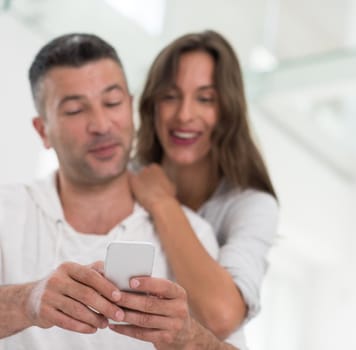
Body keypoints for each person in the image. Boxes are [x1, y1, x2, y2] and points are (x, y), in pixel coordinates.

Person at [0, 33, 237, 350]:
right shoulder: (7, 211)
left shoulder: (193, 234)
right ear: (43, 130)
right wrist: (25, 302)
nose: (101, 124)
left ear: (130, 106)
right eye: (74, 110)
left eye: (112, 103)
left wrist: (190, 339)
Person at [130, 30, 279, 345]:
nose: (185, 114)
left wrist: (162, 203)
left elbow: (221, 316)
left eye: (205, 99)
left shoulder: (251, 205)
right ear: (152, 105)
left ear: (227, 110)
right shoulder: (125, 178)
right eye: (170, 96)